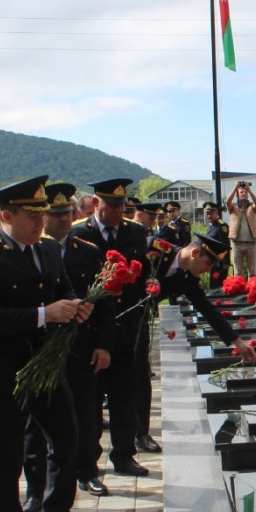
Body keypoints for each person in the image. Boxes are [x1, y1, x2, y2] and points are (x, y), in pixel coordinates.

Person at [0, 175, 97, 512]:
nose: (41, 223)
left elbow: (65, 288)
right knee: (8, 460)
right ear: (7, 215)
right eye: (31, 216)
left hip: (46, 368)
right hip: (4, 373)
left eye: (43, 215)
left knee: (68, 441)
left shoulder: (50, 250)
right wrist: (45, 314)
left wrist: (76, 306)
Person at [23, 183, 114, 504]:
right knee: (37, 423)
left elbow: (104, 303)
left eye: (67, 213)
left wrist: (104, 345)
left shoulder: (87, 251)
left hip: (82, 346)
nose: (63, 220)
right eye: (55, 214)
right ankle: (36, 488)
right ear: (42, 216)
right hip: (43, 349)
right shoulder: (31, 252)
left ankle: (87, 471)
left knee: (86, 412)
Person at [69, 178, 153, 475]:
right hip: (89, 331)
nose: (118, 211)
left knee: (123, 394)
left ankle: (124, 454)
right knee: (91, 401)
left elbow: (143, 270)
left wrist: (149, 283)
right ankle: (89, 461)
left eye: (122, 206)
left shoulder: (135, 232)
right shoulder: (79, 234)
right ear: (96, 204)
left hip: (126, 327)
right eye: (112, 205)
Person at [149, 232, 256, 365]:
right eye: (208, 263)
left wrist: (238, 342)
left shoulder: (189, 279)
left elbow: (208, 310)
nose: (208, 270)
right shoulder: (154, 247)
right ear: (194, 253)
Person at [226, 182, 256, 277]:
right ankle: (238, 288)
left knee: (252, 271)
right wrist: (234, 188)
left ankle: (252, 288)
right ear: (237, 195)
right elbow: (227, 202)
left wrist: (249, 190)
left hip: (251, 242)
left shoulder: (251, 206)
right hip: (237, 243)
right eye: (241, 192)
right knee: (237, 272)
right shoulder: (233, 207)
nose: (244, 194)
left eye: (245, 192)